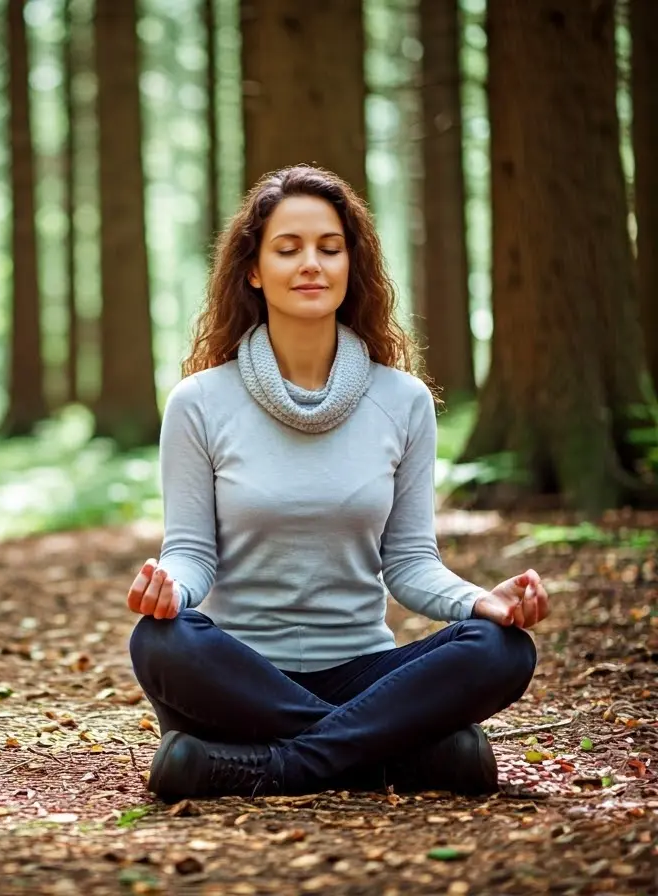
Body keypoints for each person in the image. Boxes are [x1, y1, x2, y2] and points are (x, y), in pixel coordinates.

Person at [127, 165, 547, 803]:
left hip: (366, 676)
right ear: (253, 269)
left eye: (329, 247)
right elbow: (192, 552)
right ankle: (404, 755)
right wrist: (170, 591)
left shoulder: (401, 400)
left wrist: (477, 601)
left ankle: (269, 767)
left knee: (503, 649)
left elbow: (409, 562)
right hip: (239, 675)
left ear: (352, 264)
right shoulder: (199, 403)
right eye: (288, 249)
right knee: (160, 640)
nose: (311, 264)